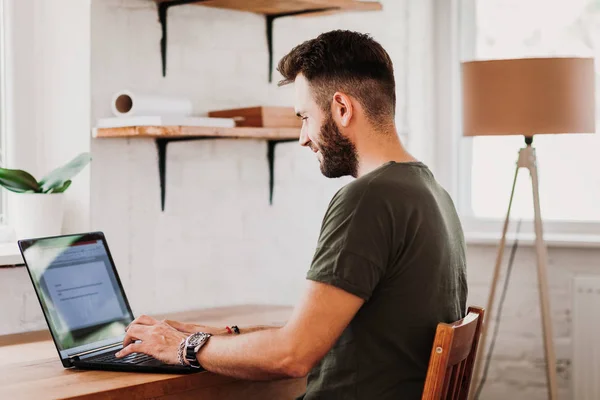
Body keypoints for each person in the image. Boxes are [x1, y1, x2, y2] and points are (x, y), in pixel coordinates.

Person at [116, 30, 468, 399]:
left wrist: (183, 348)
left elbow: (292, 355)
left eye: (304, 117)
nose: (303, 137)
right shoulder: (430, 193)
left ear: (342, 108)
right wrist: (207, 336)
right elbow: (308, 335)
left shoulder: (369, 198)